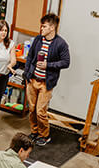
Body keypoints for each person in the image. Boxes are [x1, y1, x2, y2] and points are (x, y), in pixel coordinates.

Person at [23, 13, 71, 146]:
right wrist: (27, 75)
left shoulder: (61, 44)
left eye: (44, 26)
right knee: (32, 109)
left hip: (46, 84)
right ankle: (34, 132)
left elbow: (66, 62)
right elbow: (29, 57)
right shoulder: (38, 40)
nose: (41, 29)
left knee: (40, 112)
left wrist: (48, 65)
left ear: (51, 28)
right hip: (32, 80)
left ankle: (44, 135)